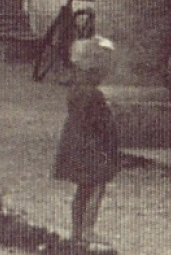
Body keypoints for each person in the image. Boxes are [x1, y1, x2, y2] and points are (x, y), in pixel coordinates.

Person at [52, 35, 120, 250]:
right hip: (92, 146)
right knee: (96, 187)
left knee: (82, 189)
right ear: (93, 70)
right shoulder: (94, 95)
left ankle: (77, 230)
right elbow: (102, 125)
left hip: (75, 143)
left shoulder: (76, 90)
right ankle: (87, 230)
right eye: (100, 71)